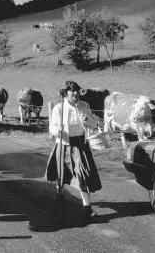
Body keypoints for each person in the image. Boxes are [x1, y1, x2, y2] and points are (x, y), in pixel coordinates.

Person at [45, 80, 102, 221]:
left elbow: (94, 124)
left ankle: (87, 208)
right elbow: (51, 128)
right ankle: (60, 199)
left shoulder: (84, 106)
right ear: (66, 93)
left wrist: (87, 120)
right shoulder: (59, 108)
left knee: (83, 175)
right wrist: (57, 130)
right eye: (72, 91)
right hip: (64, 144)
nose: (76, 93)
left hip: (80, 145)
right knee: (61, 176)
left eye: (77, 90)